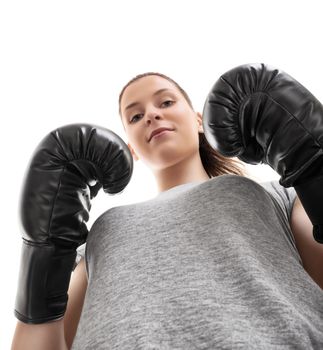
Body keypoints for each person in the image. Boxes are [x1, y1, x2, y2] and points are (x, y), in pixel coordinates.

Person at [11, 68, 323, 349]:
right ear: (131, 147)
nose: (151, 115)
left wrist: (314, 161)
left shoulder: (275, 195)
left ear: (199, 120)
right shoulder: (101, 233)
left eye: (166, 103)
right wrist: (42, 252)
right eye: (135, 116)